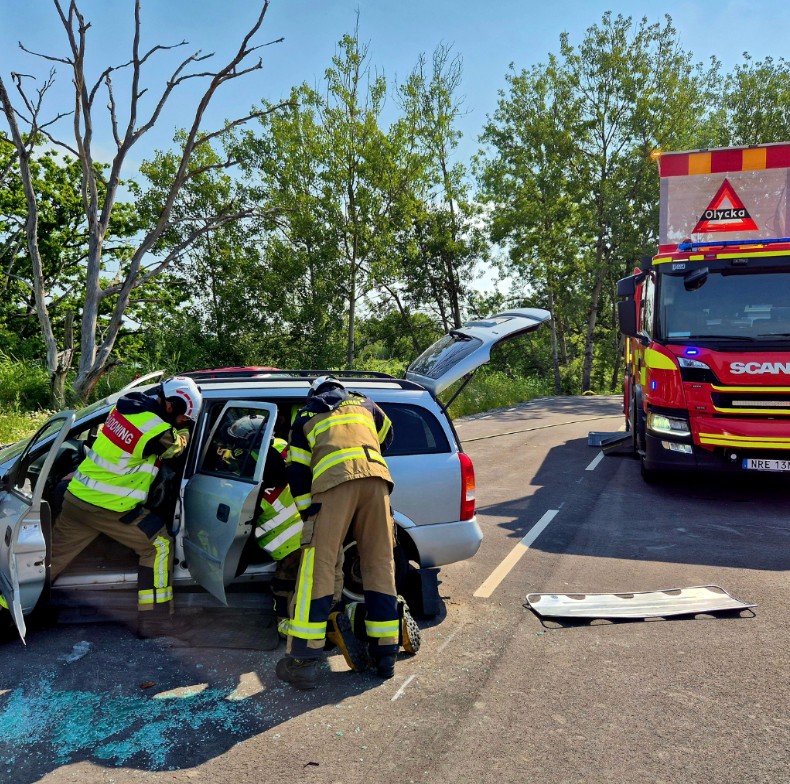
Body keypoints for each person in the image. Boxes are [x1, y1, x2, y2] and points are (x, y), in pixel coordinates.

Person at [49, 375, 202, 639]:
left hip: (77, 498)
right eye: (183, 416)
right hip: (109, 507)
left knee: (50, 560)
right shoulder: (155, 430)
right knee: (159, 545)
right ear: (170, 406)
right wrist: (188, 430)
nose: (183, 421)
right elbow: (175, 449)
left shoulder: (124, 409)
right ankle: (156, 621)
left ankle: (6, 609)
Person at [276, 375, 400, 690]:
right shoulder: (366, 404)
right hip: (377, 482)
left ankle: (304, 660)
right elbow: (387, 435)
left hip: (333, 485)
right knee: (380, 564)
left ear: (314, 393)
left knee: (317, 569)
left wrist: (310, 515)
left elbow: (297, 471)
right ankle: (385, 655)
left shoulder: (305, 415)